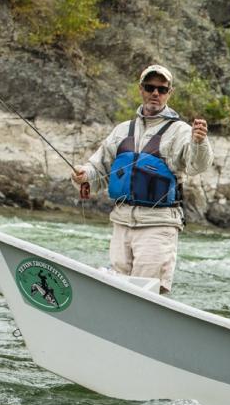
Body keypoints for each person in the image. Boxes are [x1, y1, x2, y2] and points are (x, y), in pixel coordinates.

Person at [71, 64, 213, 294]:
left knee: (146, 293)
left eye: (161, 89)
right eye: (150, 87)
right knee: (115, 290)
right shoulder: (122, 130)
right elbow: (99, 167)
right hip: (122, 222)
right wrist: (83, 175)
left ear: (169, 93)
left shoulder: (180, 131)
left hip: (158, 225)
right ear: (141, 89)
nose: (155, 93)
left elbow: (197, 165)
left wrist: (199, 142)